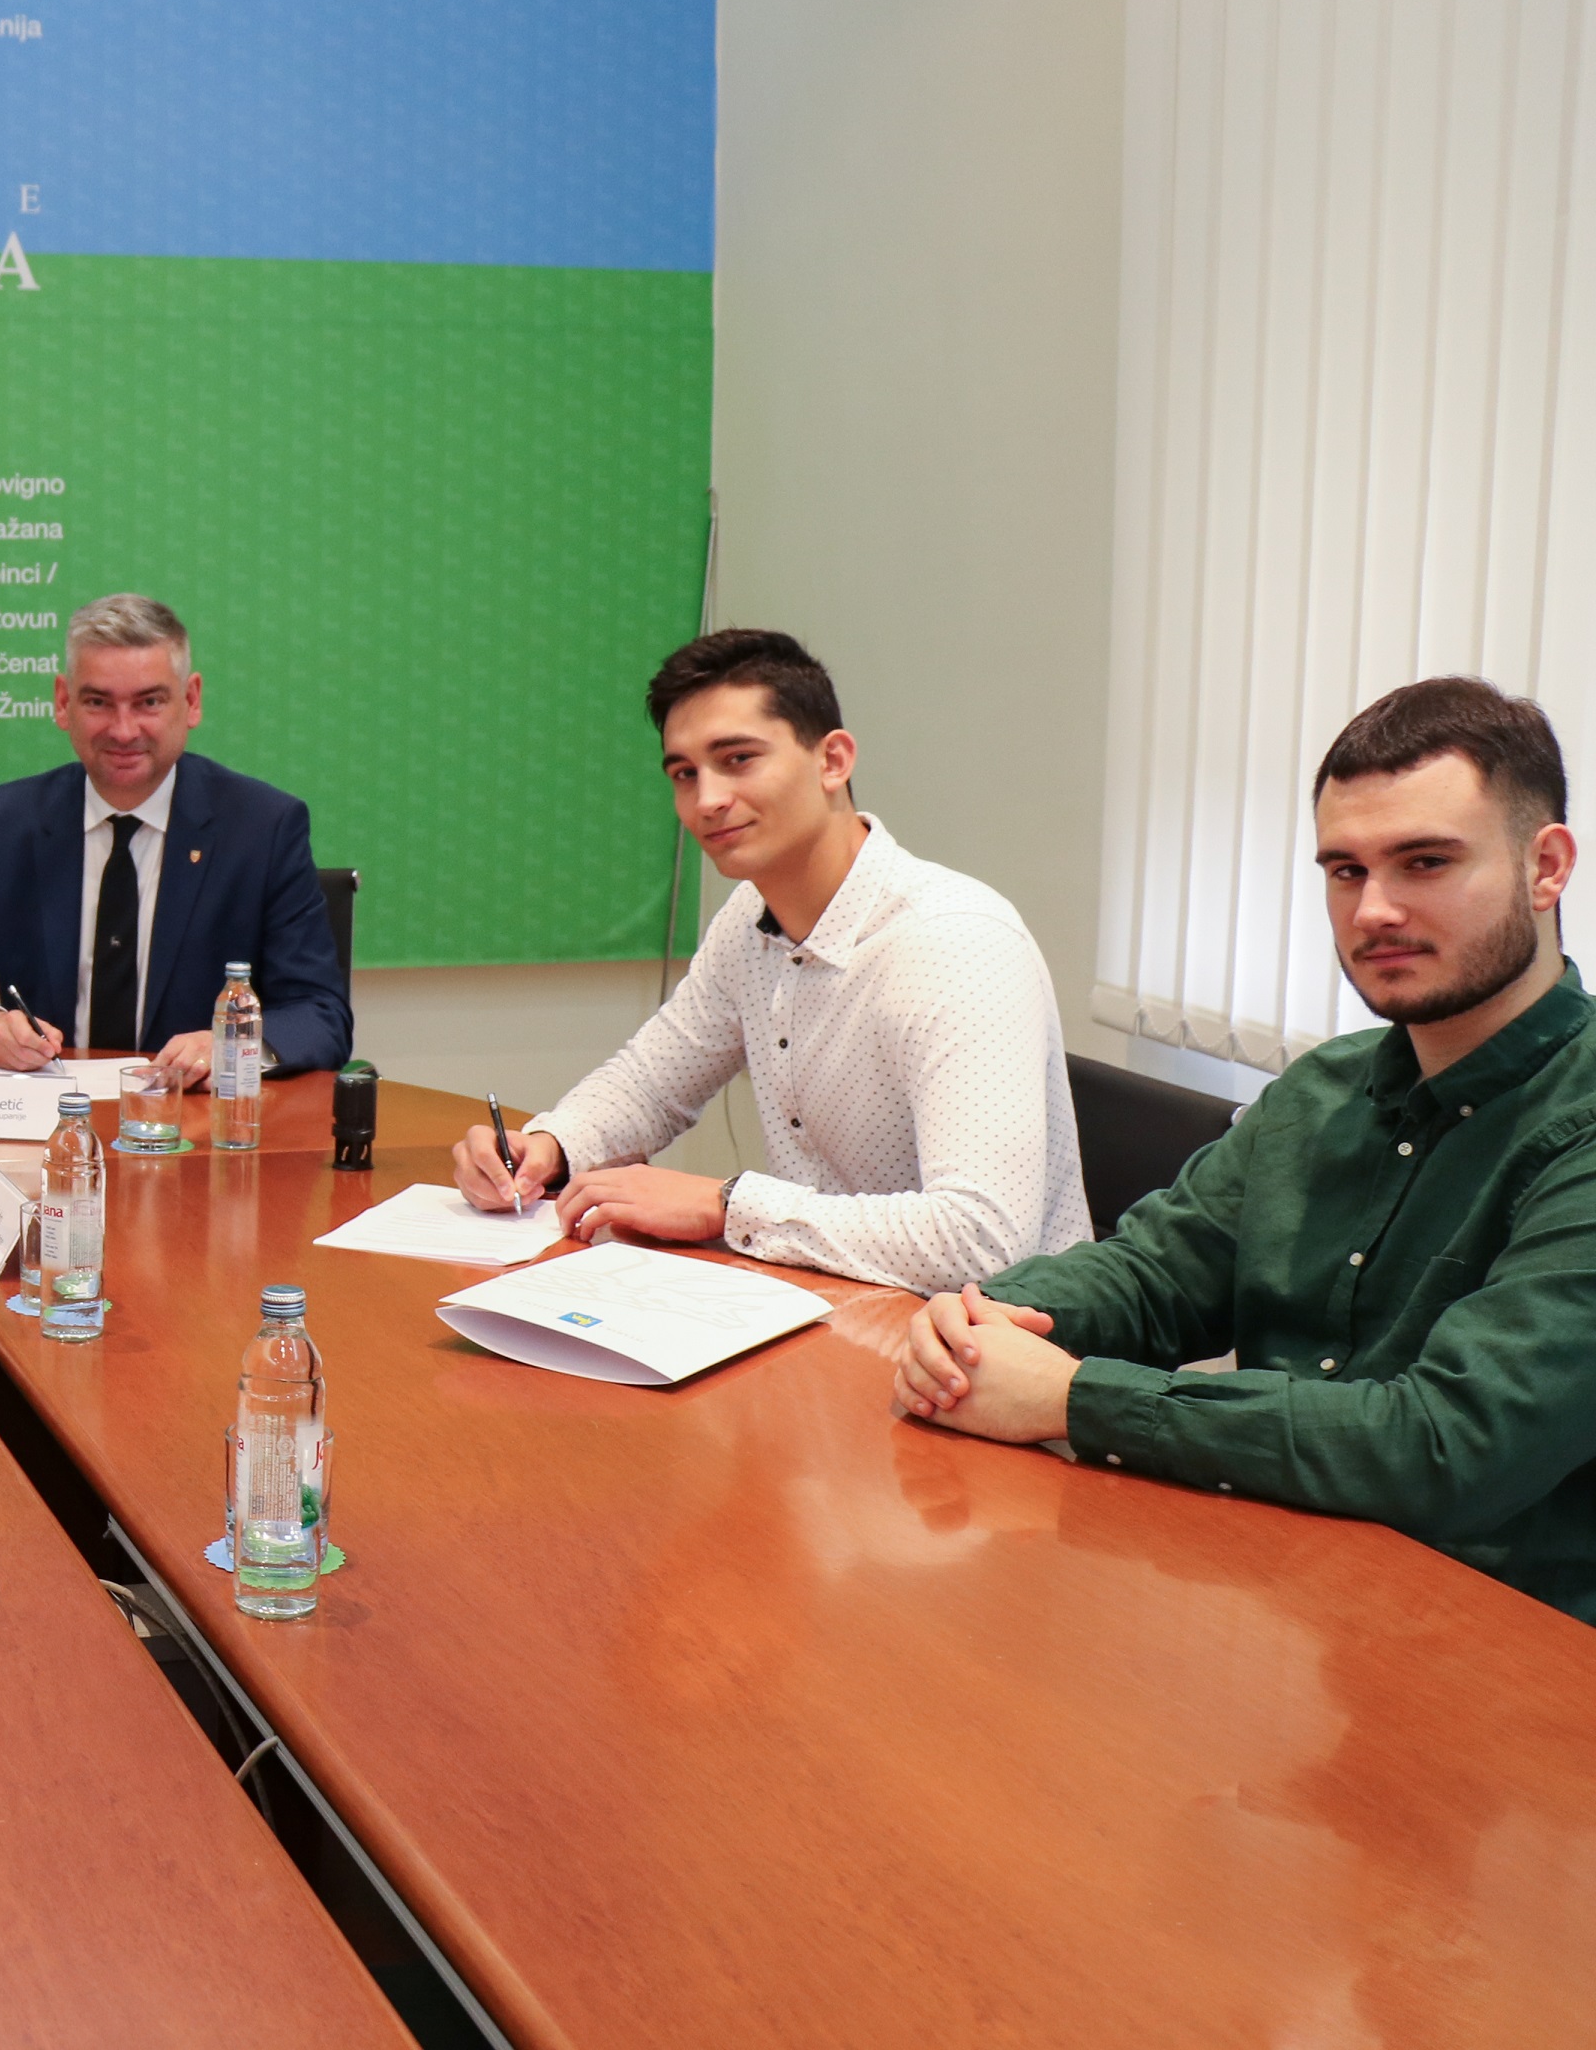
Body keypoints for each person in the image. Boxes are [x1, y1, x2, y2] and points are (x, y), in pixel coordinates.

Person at [898, 677, 1596, 1625]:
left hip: (1501, 1647)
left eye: (1424, 862)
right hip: (1277, 1597)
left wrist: (1075, 1399)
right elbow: (1154, 1275)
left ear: (1546, 867)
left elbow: (1448, 1447)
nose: (1374, 910)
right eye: (1345, 871)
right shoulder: (1323, 1089)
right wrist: (989, 1319)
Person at [459, 628, 1087, 1293]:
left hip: (994, 1335)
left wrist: (725, 1206)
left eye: (738, 759)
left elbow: (983, 1242)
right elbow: (653, 1083)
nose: (707, 800)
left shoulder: (956, 943)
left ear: (832, 761)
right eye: (685, 774)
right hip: (827, 1300)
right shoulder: (749, 917)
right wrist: (549, 1147)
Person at [0, 593, 350, 1083]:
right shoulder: (3, 825)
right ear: (64, 703)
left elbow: (321, 1015)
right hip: (53, 1114)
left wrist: (232, 1046)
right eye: (98, 702)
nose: (124, 731)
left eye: (149, 702)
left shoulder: (263, 827)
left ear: (191, 700)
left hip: (193, 1115)